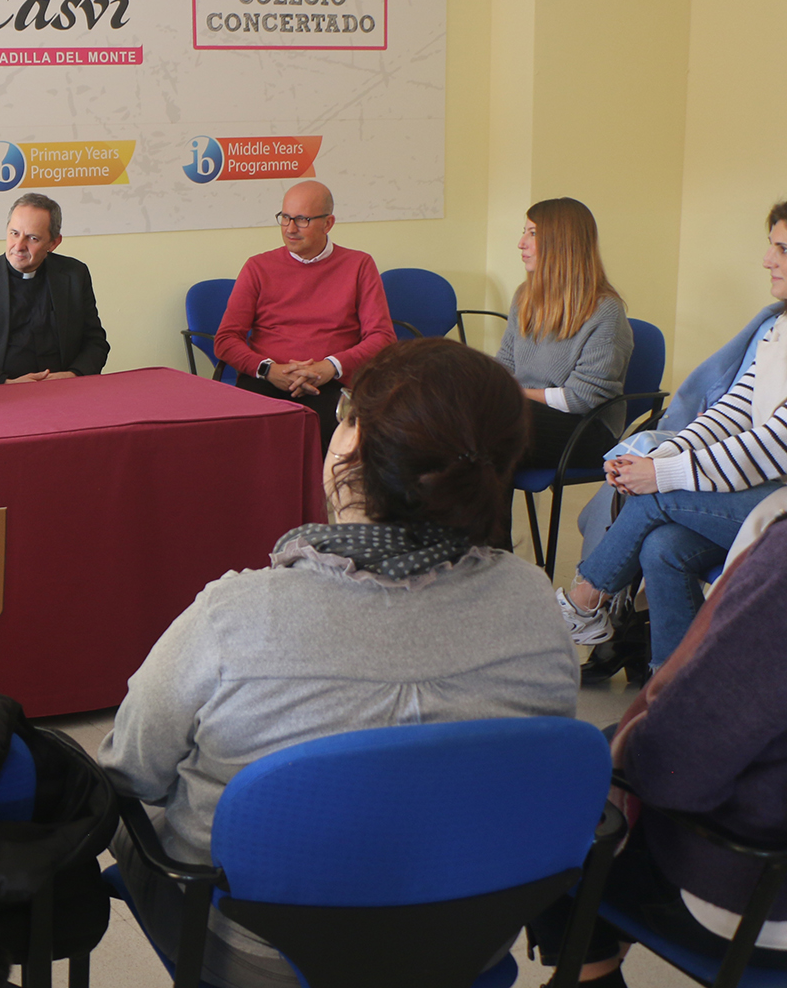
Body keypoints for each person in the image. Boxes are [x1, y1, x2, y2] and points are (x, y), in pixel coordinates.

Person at [98, 338, 578, 988]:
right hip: (468, 946)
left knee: (138, 822)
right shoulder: (535, 604)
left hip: (261, 959)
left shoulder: (233, 617)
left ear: (350, 446)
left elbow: (131, 772)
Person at [531, 508, 787, 986]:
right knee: (663, 542)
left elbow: (680, 771)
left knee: (551, 783)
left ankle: (590, 976)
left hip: (757, 905)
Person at [558, 204, 787, 670]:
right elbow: (733, 411)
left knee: (655, 496)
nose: (767, 259)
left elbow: (775, 444)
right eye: (771, 246)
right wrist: (665, 451)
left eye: (782, 249)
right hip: (771, 494)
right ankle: (670, 690)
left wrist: (662, 473)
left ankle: (582, 603)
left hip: (778, 494)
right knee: (663, 548)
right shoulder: (779, 329)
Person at [213, 180, 397, 452]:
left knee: (337, 440)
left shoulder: (359, 265)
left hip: (334, 382)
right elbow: (226, 339)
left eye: (302, 219)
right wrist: (268, 369)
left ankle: (325, 495)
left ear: (328, 223)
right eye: (285, 218)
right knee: (251, 445)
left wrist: (330, 366)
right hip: (267, 379)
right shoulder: (258, 267)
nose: (289, 229)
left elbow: (382, 337)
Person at [495, 197, 633, 472]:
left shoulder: (606, 310)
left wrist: (512, 394)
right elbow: (505, 364)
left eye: (532, 234)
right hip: (524, 413)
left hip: (585, 428)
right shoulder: (524, 296)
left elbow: (580, 399)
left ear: (562, 242)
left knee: (488, 433)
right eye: (524, 232)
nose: (521, 243)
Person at [0, 193, 109, 386]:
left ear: (53, 243)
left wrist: (73, 375)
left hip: (63, 390)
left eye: (32, 238)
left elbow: (95, 342)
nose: (19, 246)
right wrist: (5, 383)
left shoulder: (74, 274)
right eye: (14, 233)